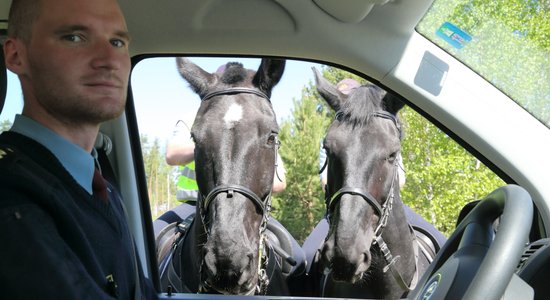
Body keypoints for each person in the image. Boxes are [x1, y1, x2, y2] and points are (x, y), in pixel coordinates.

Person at [0, 0, 157, 298]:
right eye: (74, 37)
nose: (109, 59)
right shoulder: (11, 198)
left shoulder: (101, 187)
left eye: (117, 41)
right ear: (16, 54)